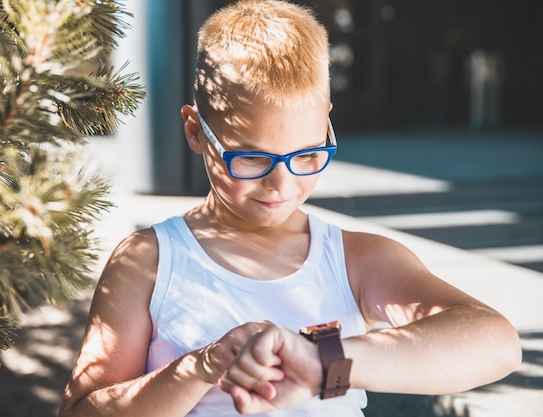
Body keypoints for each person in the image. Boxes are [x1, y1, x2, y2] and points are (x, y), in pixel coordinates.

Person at [58, 1, 521, 416]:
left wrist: (324, 364)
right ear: (196, 131)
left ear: (326, 124)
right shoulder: (147, 262)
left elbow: (496, 344)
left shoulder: (357, 260)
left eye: (306, 154)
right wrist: (202, 366)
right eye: (253, 157)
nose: (282, 182)